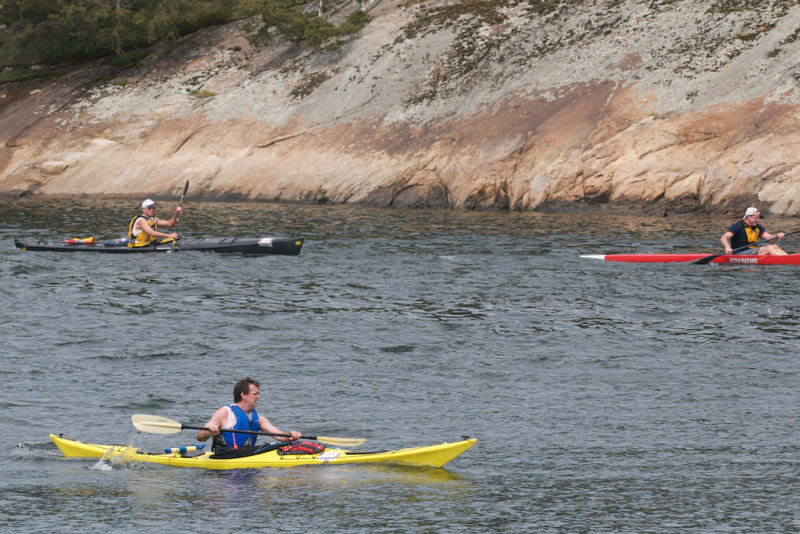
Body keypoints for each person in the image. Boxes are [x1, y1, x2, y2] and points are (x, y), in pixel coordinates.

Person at [196, 377, 301, 452]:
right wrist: (209, 432)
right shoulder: (225, 412)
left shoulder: (258, 418)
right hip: (224, 456)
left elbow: (279, 436)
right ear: (243, 395)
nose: (258, 397)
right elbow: (200, 437)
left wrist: (290, 436)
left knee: (278, 446)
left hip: (247, 456)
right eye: (255, 394)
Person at [720, 207, 787, 256]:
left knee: (775, 246)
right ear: (749, 217)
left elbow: (770, 238)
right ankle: (786, 260)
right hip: (739, 253)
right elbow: (724, 238)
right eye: (755, 218)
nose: (757, 220)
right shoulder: (738, 226)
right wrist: (727, 247)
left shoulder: (758, 227)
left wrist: (777, 236)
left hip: (752, 252)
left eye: (758, 218)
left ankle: (789, 258)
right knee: (769, 248)